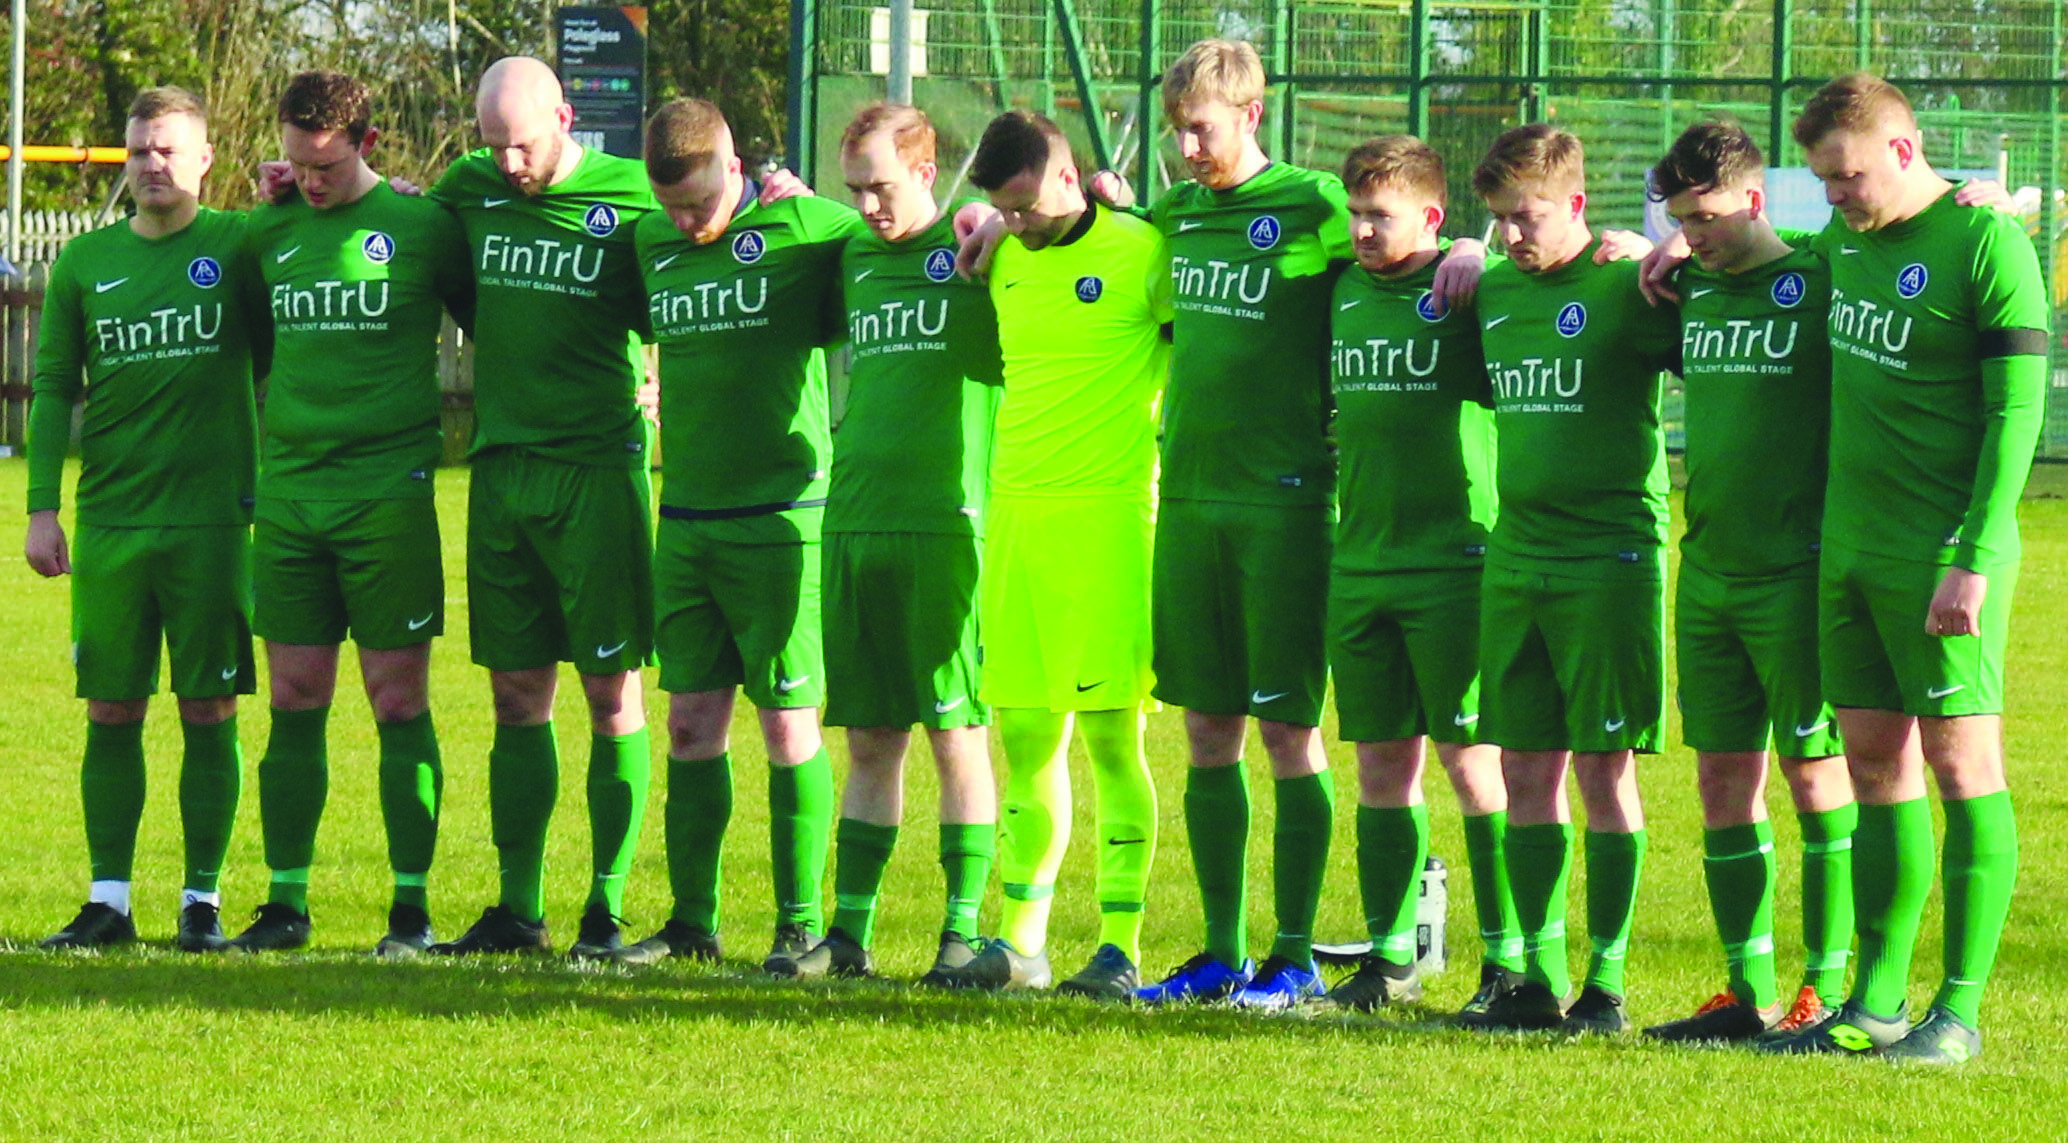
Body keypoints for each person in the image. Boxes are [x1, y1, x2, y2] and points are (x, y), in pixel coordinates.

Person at [1757, 74, 2048, 1064]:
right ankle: (1875, 1005)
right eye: (1822, 181)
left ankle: (1956, 1014)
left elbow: (2016, 417)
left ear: (1903, 149)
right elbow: (1752, 256)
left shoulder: (1985, 241)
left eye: (1847, 176)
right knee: (1875, 767)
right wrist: (1656, 245)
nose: (1835, 195)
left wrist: (1973, 558)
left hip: (1943, 558)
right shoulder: (1841, 242)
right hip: (1848, 554)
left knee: (1963, 766)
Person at [1110, 37, 1344, 1010]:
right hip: (1191, 501)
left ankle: (1294, 958)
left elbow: (1406, 252)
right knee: (1207, 729)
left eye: (1200, 128)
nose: (1187, 148)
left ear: (1251, 113)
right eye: (1176, 131)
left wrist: (1463, 250)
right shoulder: (1175, 215)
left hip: (1284, 504)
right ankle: (1219, 952)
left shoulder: (1313, 204)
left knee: (1287, 729)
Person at [613, 97, 860, 972]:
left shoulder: (809, 227)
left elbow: (906, 233)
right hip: (685, 518)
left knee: (788, 726)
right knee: (689, 726)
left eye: (700, 203)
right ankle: (692, 922)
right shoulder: (650, 240)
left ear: (736, 165)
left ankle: (800, 925)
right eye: (672, 207)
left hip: (783, 519)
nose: (686, 222)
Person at [230, 70, 475, 956]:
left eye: (326, 166)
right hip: (292, 498)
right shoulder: (267, 231)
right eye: (296, 164)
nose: (310, 180)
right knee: (293, 697)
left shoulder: (424, 226)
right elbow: (251, 344)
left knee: (397, 699)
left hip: (388, 498)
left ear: (368, 144)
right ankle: (285, 902)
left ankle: (410, 911)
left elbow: (500, 323)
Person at [425, 56, 657, 958]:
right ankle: (518, 909)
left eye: (522, 144)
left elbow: (703, 248)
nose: (509, 163)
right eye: (494, 146)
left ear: (565, 118)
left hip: (596, 471)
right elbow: (413, 234)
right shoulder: (469, 187)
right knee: (516, 693)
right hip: (501, 470)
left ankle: (606, 908)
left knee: (612, 693)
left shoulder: (632, 193)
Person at [936, 110, 1169, 1000]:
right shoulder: (1001, 256)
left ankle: (1119, 944)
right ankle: (1021, 942)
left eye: (1025, 204)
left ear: (1069, 177)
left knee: (1111, 736)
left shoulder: (1143, 252)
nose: (1017, 220)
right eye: (1003, 207)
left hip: (1110, 524)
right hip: (1018, 522)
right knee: (1027, 737)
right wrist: (995, 225)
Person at [1633, 121, 1857, 1043]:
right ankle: (1745, 991)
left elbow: (1896, 229)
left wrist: (1986, 197)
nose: (1695, 236)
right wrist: (1639, 247)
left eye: (1709, 217)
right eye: (1682, 220)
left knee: (1816, 774)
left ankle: (1825, 989)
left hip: (1797, 572)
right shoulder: (1687, 285)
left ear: (1755, 200)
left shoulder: (1820, 273)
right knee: (1723, 777)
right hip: (1709, 568)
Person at [28, 86, 261, 953]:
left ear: (205, 157)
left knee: (210, 707)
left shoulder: (241, 244)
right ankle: (109, 901)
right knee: (112, 708)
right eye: (137, 151)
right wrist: (42, 508)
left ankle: (202, 900)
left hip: (213, 523)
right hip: (113, 522)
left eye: (167, 149)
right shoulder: (84, 263)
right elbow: (53, 388)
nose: (151, 164)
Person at [782, 103, 1002, 983]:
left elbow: (1072, 226)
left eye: (880, 187)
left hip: (947, 526)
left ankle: (961, 932)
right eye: (854, 190)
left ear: (926, 170)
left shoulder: (981, 251)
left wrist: (1002, 218)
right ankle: (849, 934)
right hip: (854, 521)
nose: (868, 206)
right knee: (871, 738)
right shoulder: (852, 256)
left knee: (956, 731)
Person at [1467, 124, 1676, 1034]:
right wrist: (1460, 254)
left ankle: (1607, 984)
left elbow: (1739, 290)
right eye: (1500, 219)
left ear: (1579, 204)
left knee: (1603, 769)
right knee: (1524, 767)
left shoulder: (1632, 283)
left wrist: (1675, 249)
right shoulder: (1492, 289)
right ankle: (1536, 978)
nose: (1514, 234)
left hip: (1609, 561)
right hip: (1516, 557)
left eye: (1531, 215)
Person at [1319, 136, 1522, 1017]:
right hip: (1362, 560)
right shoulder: (1338, 290)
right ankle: (1391, 954)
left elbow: (1548, 269)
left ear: (1432, 217)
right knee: (1380, 768)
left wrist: (1477, 250)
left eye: (1383, 215)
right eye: (1356, 213)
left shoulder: (1473, 290)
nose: (1364, 230)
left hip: (1454, 564)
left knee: (1474, 765)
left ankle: (1509, 961)